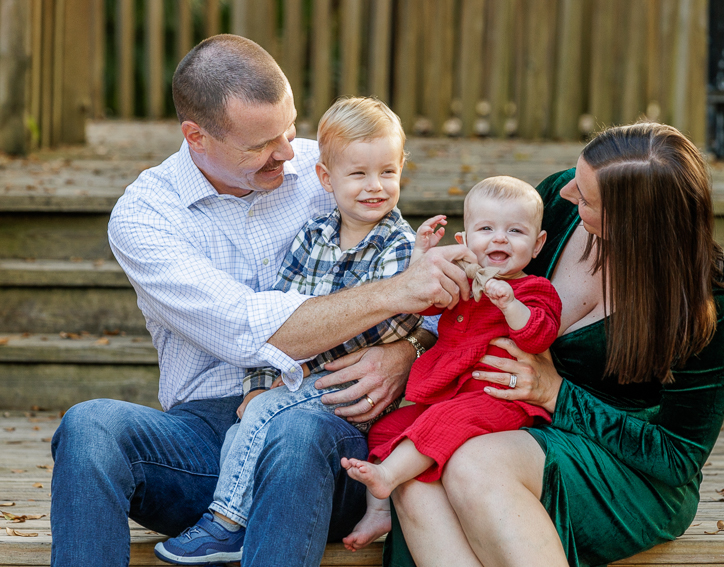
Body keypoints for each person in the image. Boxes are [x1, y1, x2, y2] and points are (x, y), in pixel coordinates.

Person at [49, 35, 473, 567]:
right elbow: (256, 331)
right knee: (89, 426)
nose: (287, 153)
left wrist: (407, 349)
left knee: (295, 429)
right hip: (205, 440)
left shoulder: (328, 168)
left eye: (289, 129)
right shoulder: (147, 217)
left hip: (330, 436)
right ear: (196, 136)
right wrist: (395, 295)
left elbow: (417, 287)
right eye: (260, 145)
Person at [383, 122, 724, 567]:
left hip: (627, 468)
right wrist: (417, 338)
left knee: (473, 464)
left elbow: (676, 457)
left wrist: (556, 394)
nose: (568, 192)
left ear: (632, 223)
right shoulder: (555, 202)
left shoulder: (705, 302)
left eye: (587, 199)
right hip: (507, 419)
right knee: (416, 476)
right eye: (577, 176)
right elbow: (472, 294)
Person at [152, 95, 431, 565]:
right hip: (299, 380)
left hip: (354, 394)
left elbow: (391, 324)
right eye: (358, 174)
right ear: (326, 179)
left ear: (402, 168)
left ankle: (225, 522)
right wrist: (262, 382)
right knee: (256, 410)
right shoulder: (312, 236)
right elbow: (279, 321)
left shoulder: (400, 247)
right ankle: (239, 513)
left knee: (267, 415)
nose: (375, 187)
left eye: (387, 172)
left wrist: (306, 354)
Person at [340, 176, 563, 551]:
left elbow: (539, 336)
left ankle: (387, 475)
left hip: (500, 401)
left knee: (440, 422)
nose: (500, 239)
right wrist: (420, 258)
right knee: (387, 428)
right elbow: (425, 304)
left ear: (538, 243)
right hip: (451, 397)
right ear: (464, 240)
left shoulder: (535, 290)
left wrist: (511, 306)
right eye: (486, 229)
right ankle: (378, 510)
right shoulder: (463, 280)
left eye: (515, 231)